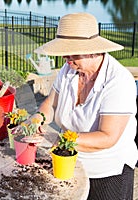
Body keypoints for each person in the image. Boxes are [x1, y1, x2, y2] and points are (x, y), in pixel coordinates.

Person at [33, 12, 138, 200]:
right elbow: (50, 103)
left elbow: (107, 138)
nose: (66, 59)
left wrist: (65, 138)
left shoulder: (119, 81)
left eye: (73, 53)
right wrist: (37, 118)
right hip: (70, 164)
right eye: (64, 53)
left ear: (93, 50)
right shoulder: (69, 69)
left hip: (107, 173)